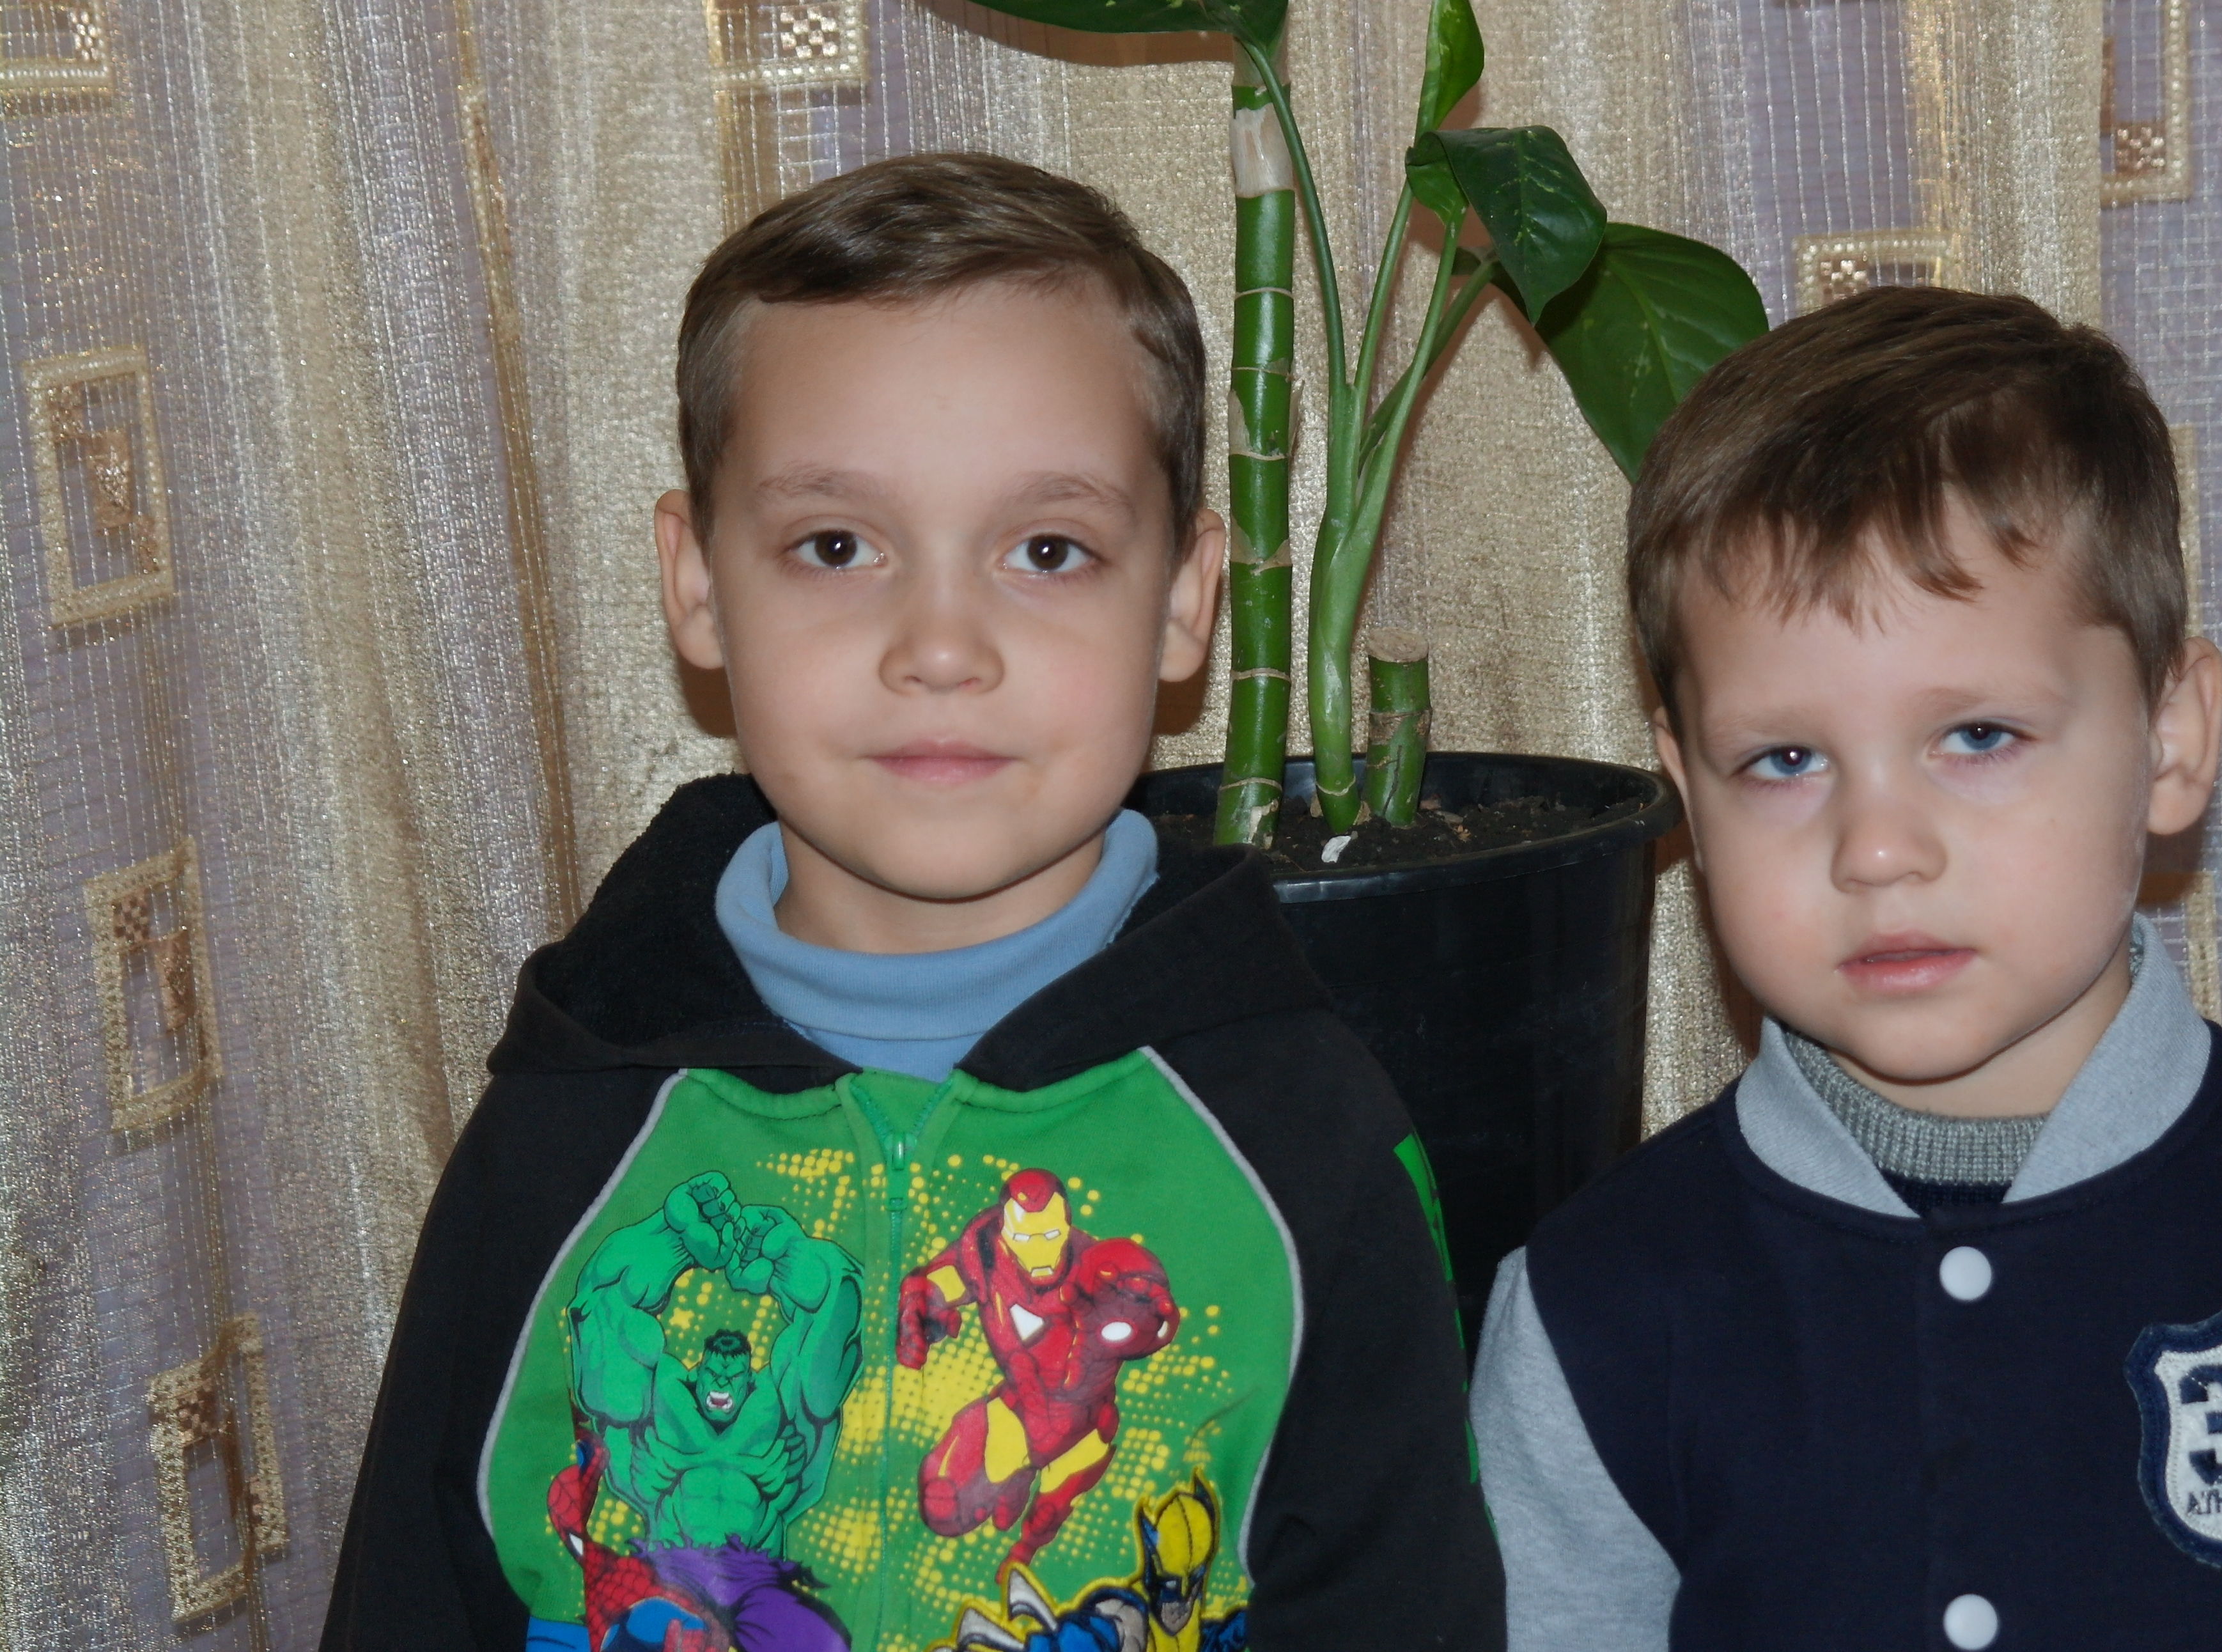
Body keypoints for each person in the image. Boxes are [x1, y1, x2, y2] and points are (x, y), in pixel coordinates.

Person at [323, 152, 1501, 1652]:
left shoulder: (1302, 1134)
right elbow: (416, 1592)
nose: (941, 645)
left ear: (1185, 597)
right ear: (697, 583)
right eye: (837, 546)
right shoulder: (567, 1123)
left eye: (1046, 550)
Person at [1468, 285, 2222, 1651]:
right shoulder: (1593, 1311)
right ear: (1687, 790)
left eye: (1978, 735)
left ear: (2171, 740)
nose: (1879, 849)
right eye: (1785, 758)